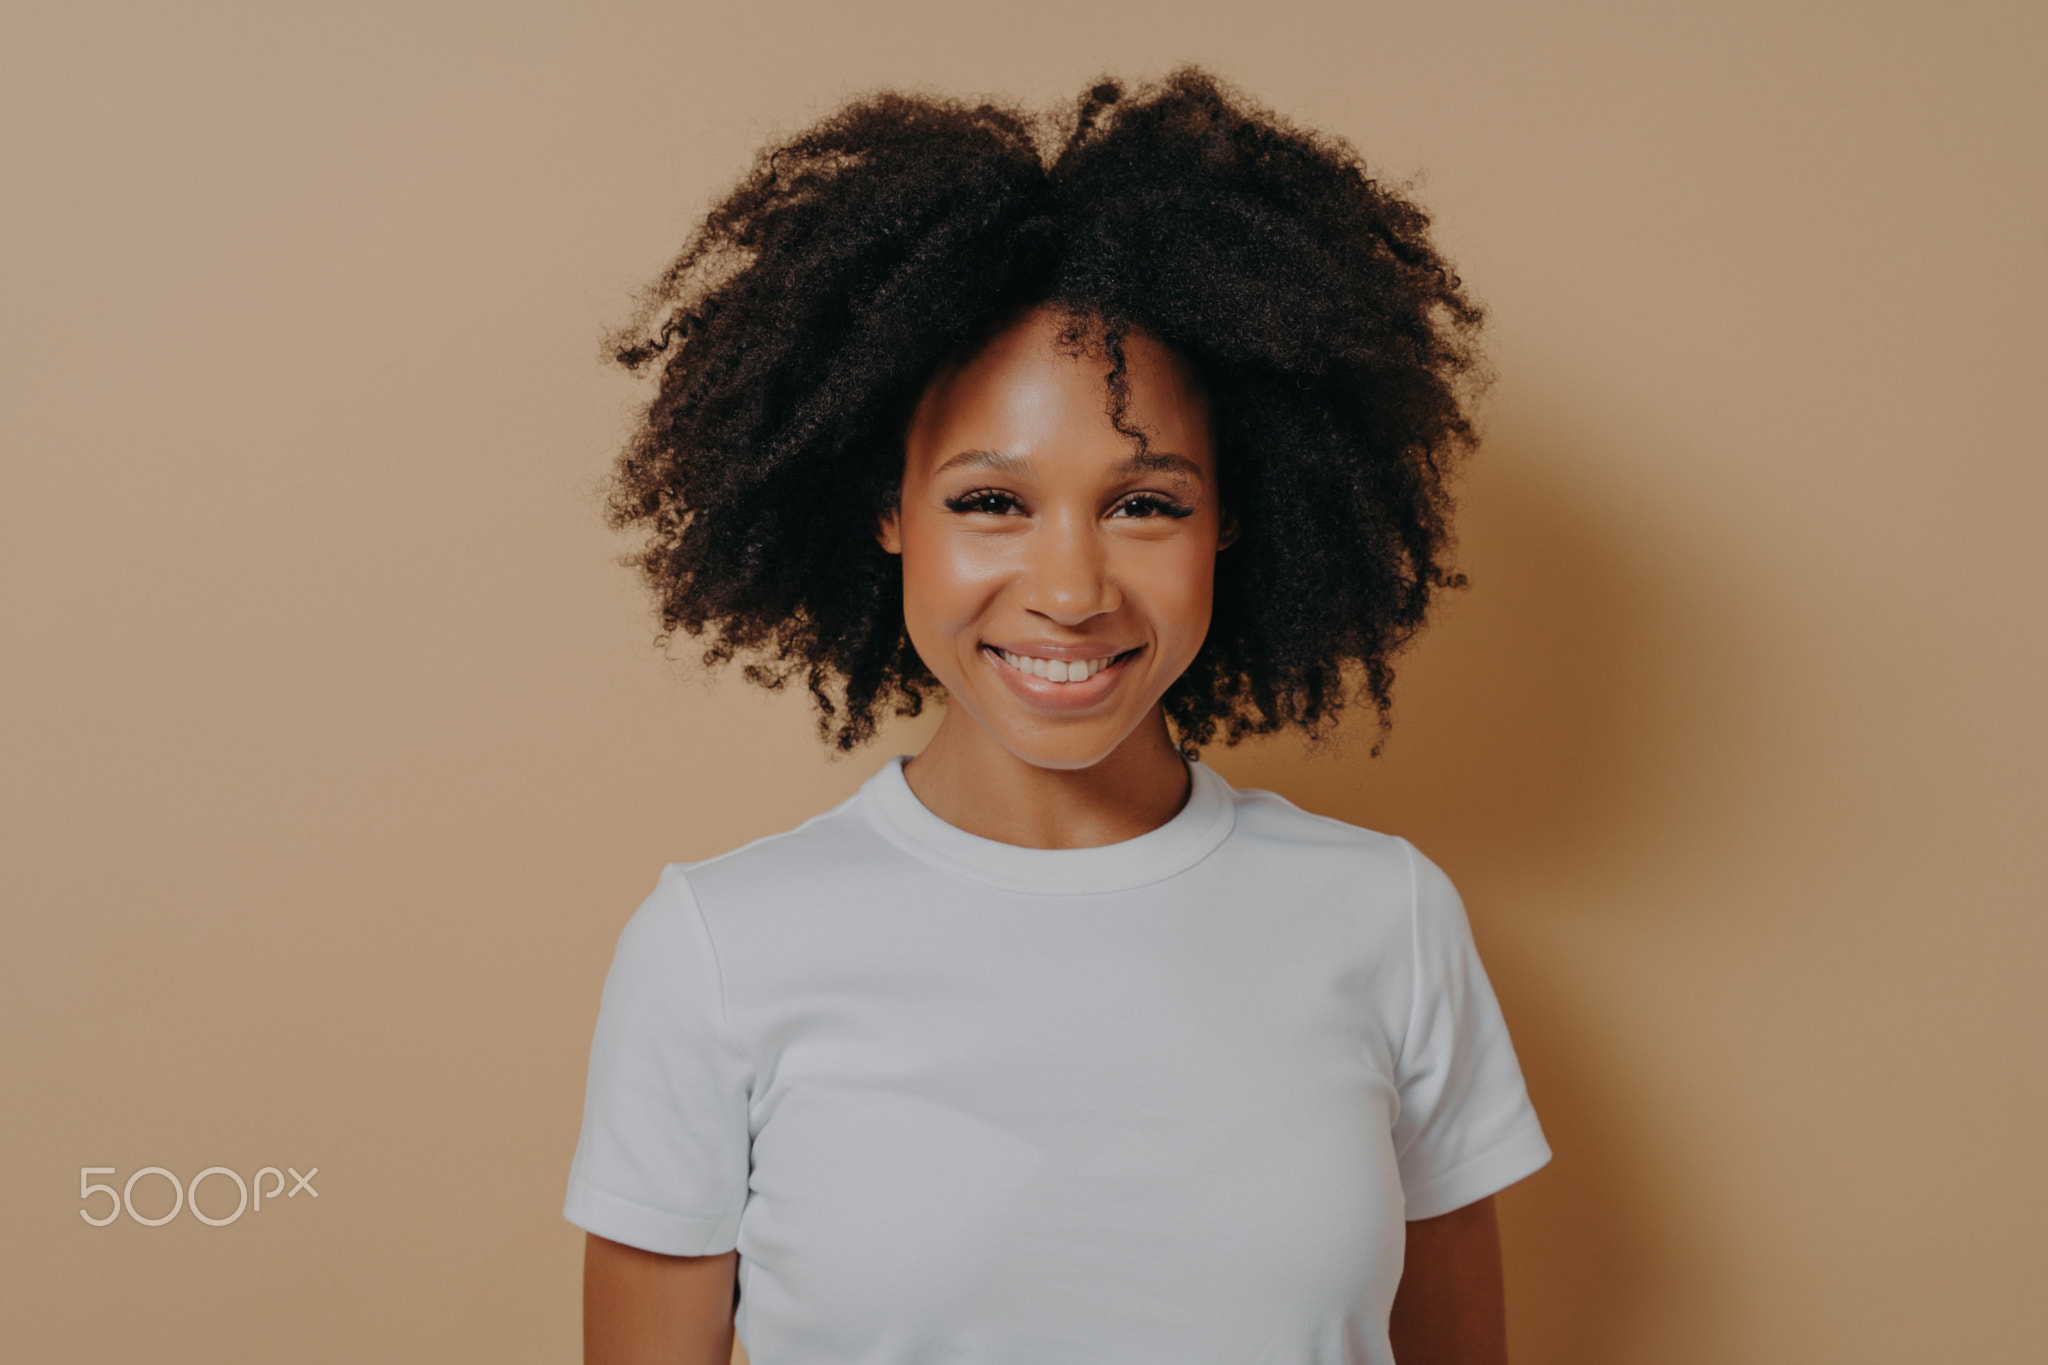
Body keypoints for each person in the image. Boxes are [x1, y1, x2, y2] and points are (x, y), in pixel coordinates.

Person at [565, 68, 1549, 1365]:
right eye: (990, 502)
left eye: (1145, 503)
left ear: (1233, 522)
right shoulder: (715, 951)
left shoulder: (1387, 918)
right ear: (887, 509)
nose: (1073, 590)